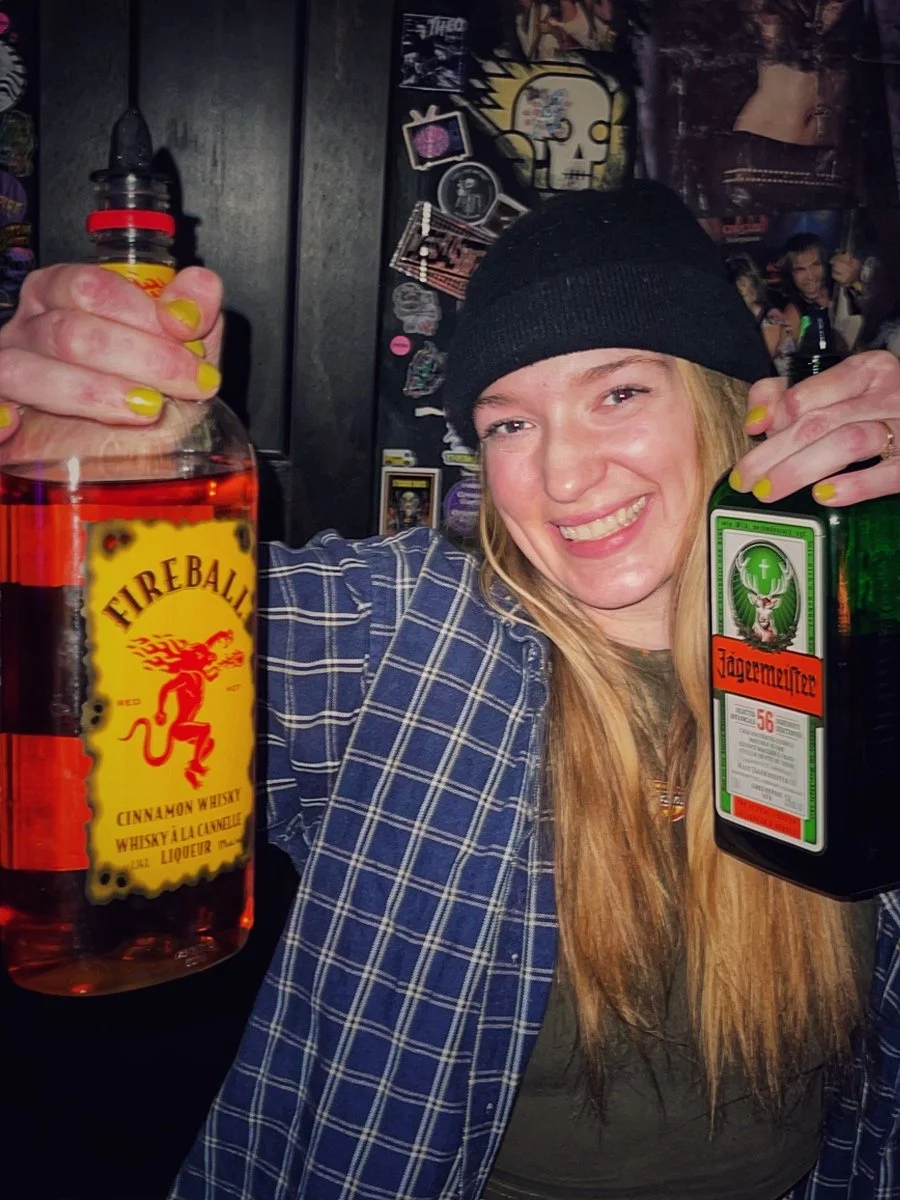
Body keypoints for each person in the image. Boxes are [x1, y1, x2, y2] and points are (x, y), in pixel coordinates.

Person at [1, 181, 900, 1200]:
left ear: (733, 404)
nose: (564, 475)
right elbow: (68, 678)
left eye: (618, 394)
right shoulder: (405, 633)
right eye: (510, 423)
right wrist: (51, 450)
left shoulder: (854, 621)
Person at [725, 251, 794, 375]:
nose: (742, 289)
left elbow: (762, 360)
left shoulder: (771, 319)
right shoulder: (740, 317)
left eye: (744, 283)